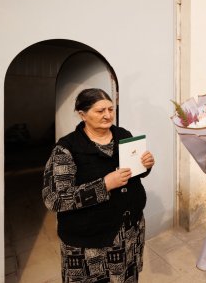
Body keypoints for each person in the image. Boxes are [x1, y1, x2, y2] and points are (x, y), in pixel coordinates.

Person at [42, 88, 155, 282]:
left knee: (125, 277)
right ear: (82, 114)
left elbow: (133, 173)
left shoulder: (123, 135)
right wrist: (104, 185)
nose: (108, 115)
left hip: (128, 232)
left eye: (111, 109)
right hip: (90, 241)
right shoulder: (66, 149)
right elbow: (54, 200)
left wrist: (145, 166)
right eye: (100, 110)